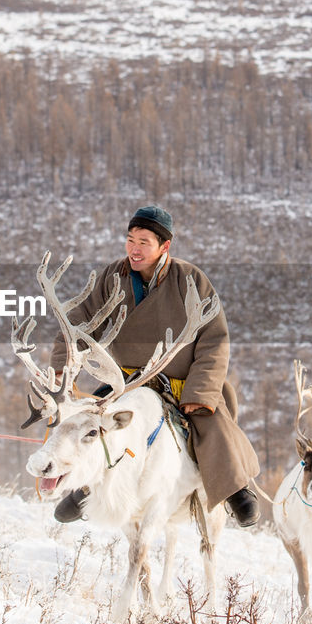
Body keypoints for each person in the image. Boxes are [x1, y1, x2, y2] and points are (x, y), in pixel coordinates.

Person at [49, 205, 261, 527]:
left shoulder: (191, 280)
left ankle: (235, 488)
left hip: (180, 380)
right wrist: (63, 370)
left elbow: (214, 339)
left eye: (144, 241)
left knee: (212, 425)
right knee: (92, 423)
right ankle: (84, 489)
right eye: (130, 239)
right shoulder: (112, 277)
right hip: (129, 381)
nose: (134, 248)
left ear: (165, 246)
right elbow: (78, 324)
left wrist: (199, 389)